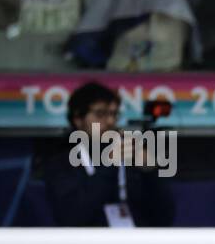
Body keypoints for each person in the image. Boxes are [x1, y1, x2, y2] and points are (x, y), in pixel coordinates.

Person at [42, 82, 176, 227]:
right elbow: (72, 217)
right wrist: (108, 166)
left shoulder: (130, 156)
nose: (111, 121)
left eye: (114, 114)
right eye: (100, 114)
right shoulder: (61, 164)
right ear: (78, 120)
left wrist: (150, 172)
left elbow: (164, 218)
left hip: (135, 243)